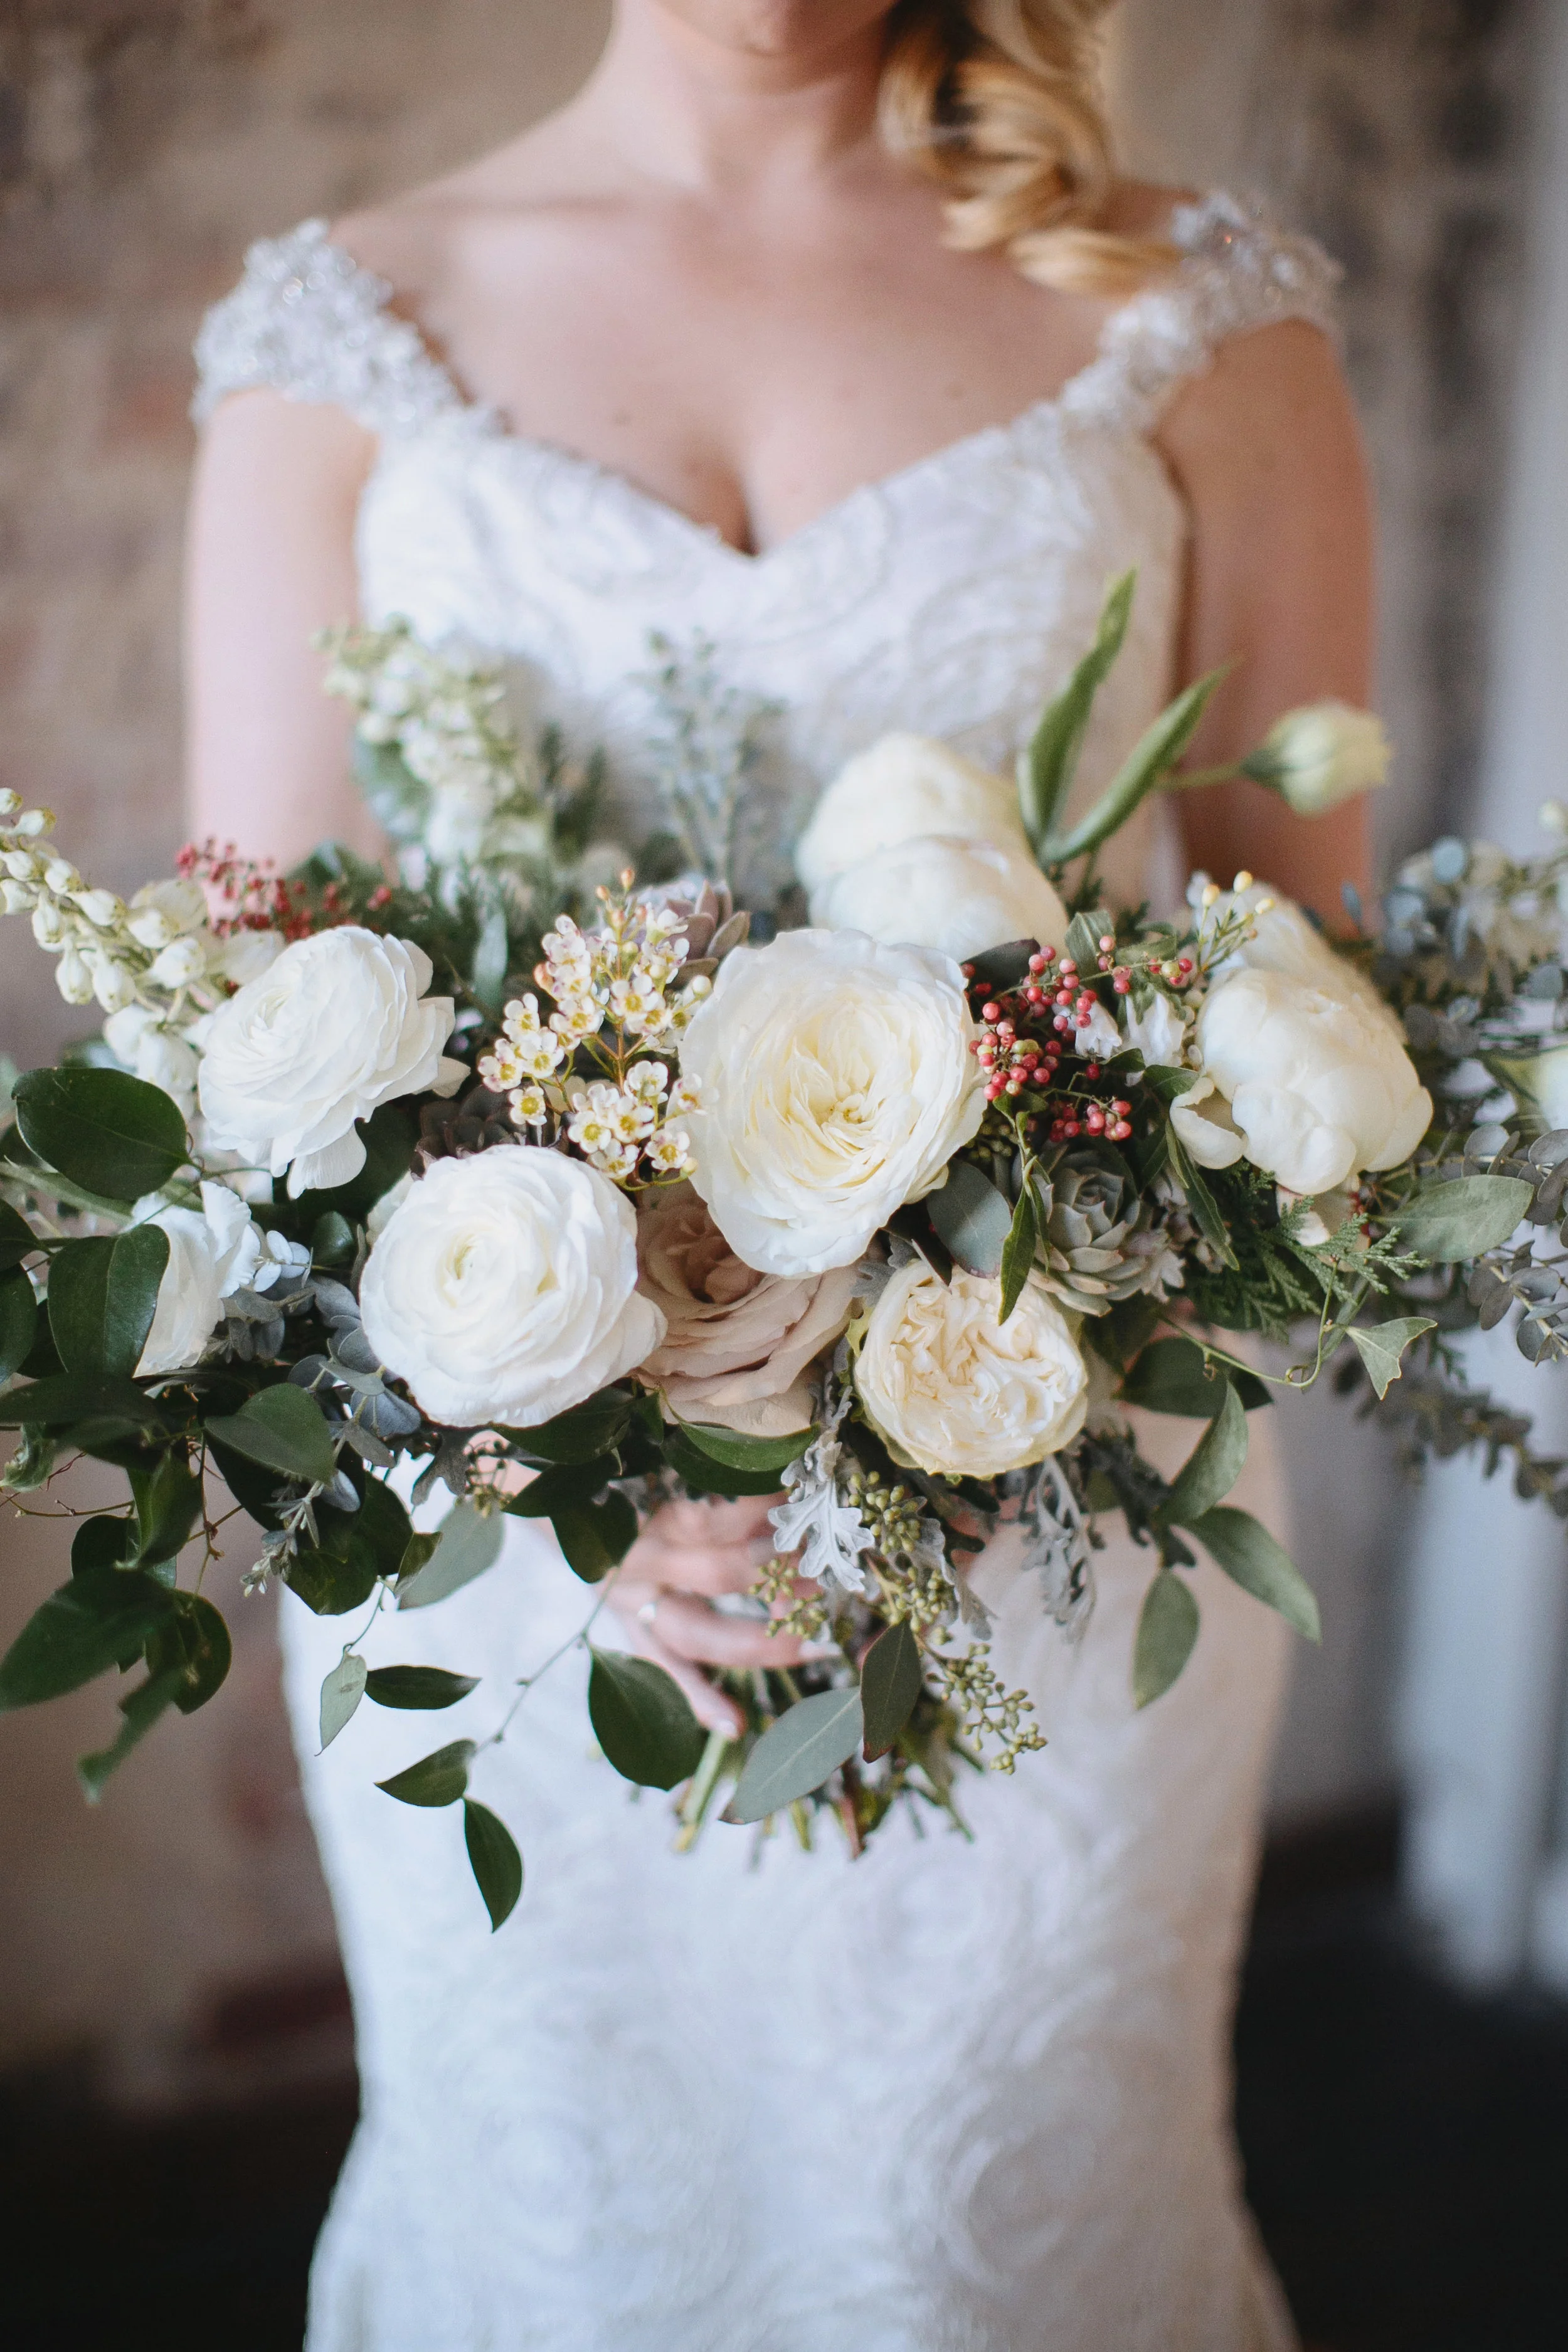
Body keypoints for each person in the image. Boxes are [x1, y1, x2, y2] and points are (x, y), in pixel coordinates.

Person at [186, 5, 1375, 2346]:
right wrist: (555, 1458)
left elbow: (1296, 1015)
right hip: (507, 1564)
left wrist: (993, 1346)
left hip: (1045, 1502)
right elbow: (257, 1050)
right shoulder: (339, 339)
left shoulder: (1200, 320)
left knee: (990, 2238)